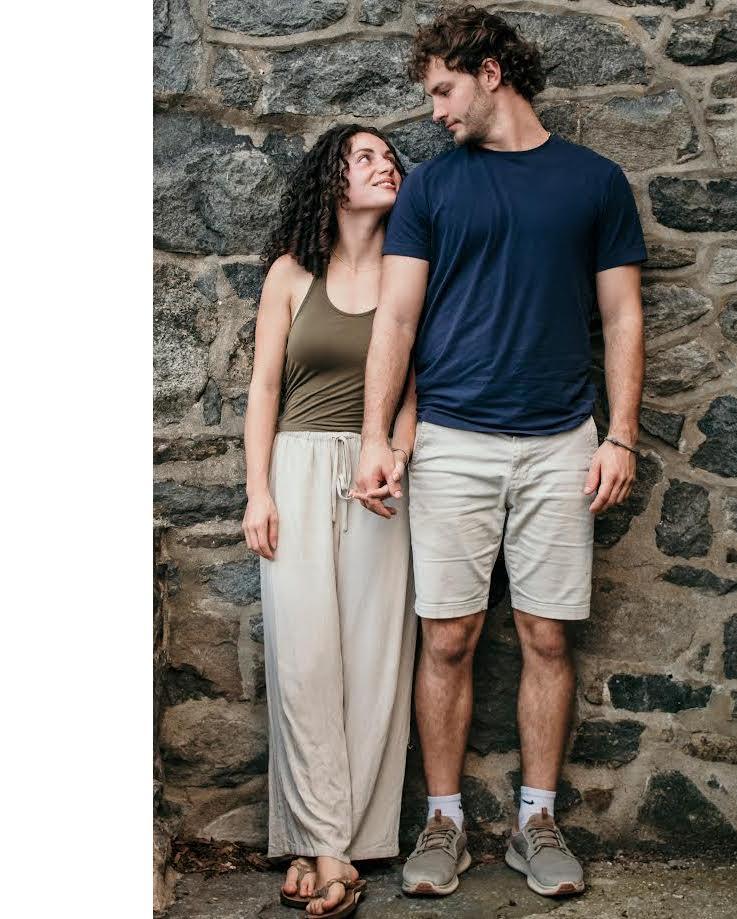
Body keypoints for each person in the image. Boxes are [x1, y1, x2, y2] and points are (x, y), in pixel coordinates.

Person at [352, 6, 647, 900]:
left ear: (490, 73)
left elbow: (621, 316)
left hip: (562, 440)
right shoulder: (434, 189)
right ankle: (443, 821)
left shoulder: (594, 181)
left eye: (443, 89)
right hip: (450, 440)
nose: (434, 110)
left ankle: (535, 820)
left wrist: (620, 433)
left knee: (546, 635)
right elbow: (396, 319)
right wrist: (375, 436)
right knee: (447, 636)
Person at [242, 124, 417, 918]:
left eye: (390, 157)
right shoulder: (290, 274)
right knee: (304, 658)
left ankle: (331, 845)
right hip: (298, 467)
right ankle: (325, 844)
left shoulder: (411, 270)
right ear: (332, 181)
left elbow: (417, 385)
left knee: (374, 660)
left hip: (381, 475)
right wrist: (258, 490)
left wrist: (398, 457)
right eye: (365, 157)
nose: (386, 166)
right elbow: (263, 389)